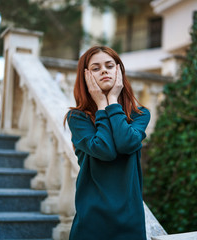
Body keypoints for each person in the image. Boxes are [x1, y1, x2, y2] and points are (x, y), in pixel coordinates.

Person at [65, 46, 150, 240]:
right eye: (95, 68)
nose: (103, 70)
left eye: (109, 66)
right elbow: (105, 150)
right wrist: (102, 105)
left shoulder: (140, 115)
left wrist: (112, 101)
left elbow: (126, 143)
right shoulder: (78, 118)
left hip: (131, 222)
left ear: (119, 71)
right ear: (85, 77)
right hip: (91, 222)